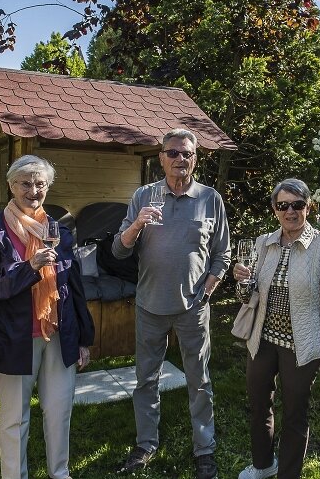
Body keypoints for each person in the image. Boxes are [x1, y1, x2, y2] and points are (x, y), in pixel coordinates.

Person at [112, 128, 231, 479]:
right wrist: (137, 223)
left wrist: (207, 291)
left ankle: (204, 449)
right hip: (149, 305)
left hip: (192, 308)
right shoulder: (144, 196)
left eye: (187, 153)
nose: (180, 159)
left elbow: (222, 254)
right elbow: (119, 249)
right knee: (146, 379)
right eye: (173, 153)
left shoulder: (210, 198)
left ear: (195, 158)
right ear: (161, 157)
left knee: (200, 380)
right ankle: (146, 443)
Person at [0, 154, 94, 479]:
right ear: (11, 185)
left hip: (58, 334)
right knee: (14, 418)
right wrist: (30, 268)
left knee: (59, 411)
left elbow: (74, 288)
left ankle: (60, 473)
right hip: (13, 337)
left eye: (40, 184)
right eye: (26, 183)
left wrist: (84, 339)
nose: (33, 190)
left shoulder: (59, 231)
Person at [232, 178, 320, 479]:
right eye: (283, 205)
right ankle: (263, 465)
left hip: (302, 344)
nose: (290, 211)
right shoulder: (263, 242)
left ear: (309, 207)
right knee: (258, 405)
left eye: (297, 205)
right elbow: (248, 297)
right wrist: (242, 281)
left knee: (294, 415)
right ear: (274, 209)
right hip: (262, 339)